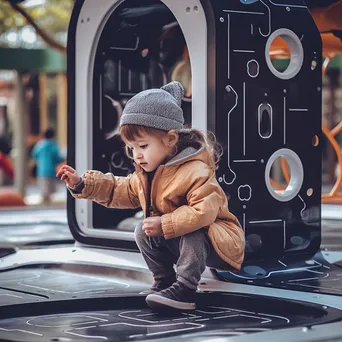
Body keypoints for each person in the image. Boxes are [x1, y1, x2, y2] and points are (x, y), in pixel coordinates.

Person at [57, 81, 245, 311]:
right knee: (142, 230)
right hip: (181, 239)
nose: (137, 155)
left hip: (220, 242)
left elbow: (203, 212)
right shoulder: (148, 175)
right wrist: (82, 184)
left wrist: (164, 224)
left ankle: (185, 289)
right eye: (131, 148)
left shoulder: (196, 170)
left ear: (171, 140)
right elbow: (119, 189)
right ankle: (164, 281)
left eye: (143, 146)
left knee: (193, 230)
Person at [32, 128, 64, 205]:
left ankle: (44, 203)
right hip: (51, 171)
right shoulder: (53, 145)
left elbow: (34, 155)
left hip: (41, 171)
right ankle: (47, 204)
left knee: (44, 191)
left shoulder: (39, 145)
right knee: (50, 192)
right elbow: (57, 157)